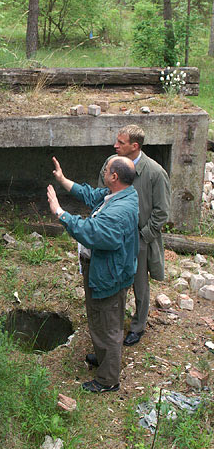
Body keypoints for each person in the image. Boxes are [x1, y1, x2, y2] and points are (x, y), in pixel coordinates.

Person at [47, 155, 139, 393]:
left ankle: (108, 380)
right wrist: (63, 180)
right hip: (103, 270)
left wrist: (59, 212)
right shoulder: (120, 193)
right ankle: (103, 357)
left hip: (109, 275)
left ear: (114, 176)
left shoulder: (119, 211)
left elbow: (91, 233)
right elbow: (90, 195)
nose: (104, 171)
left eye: (106, 169)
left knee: (108, 326)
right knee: (99, 318)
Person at [98, 124, 171, 346]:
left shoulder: (156, 173)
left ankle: (138, 326)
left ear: (134, 146)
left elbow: (162, 212)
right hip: (115, 235)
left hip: (139, 239)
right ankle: (113, 325)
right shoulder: (111, 163)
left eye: (121, 142)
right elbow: (102, 191)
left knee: (140, 285)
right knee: (114, 280)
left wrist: (143, 237)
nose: (115, 145)